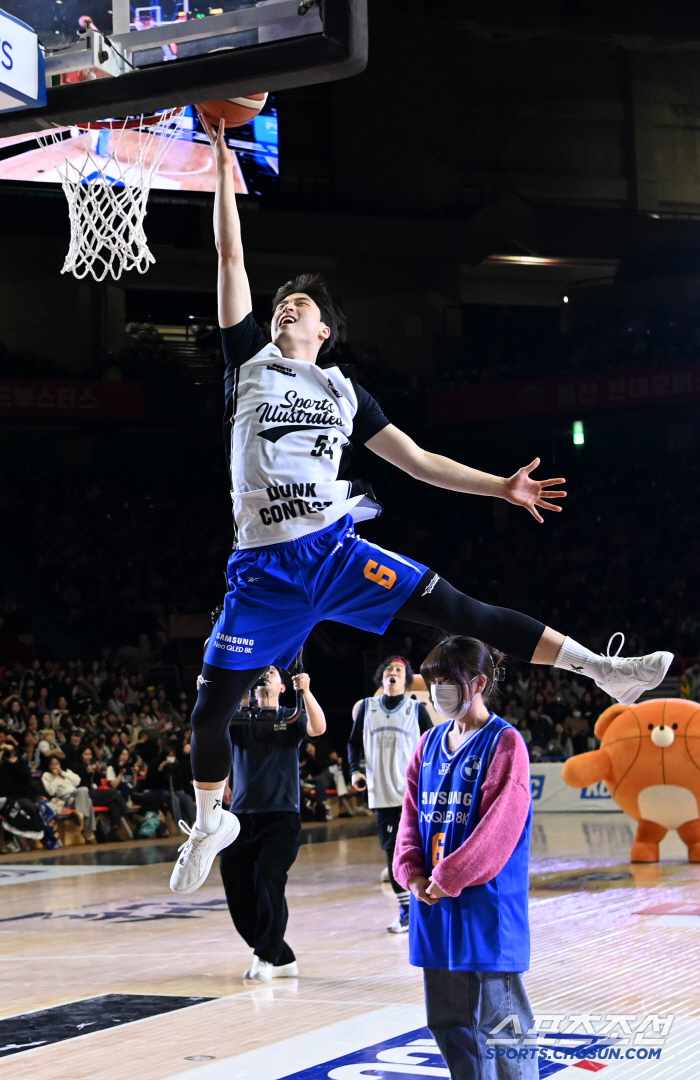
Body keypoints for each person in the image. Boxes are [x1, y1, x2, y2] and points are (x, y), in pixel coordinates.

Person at [170, 115, 674, 895]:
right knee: (209, 716)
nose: (285, 310)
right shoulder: (250, 364)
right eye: (281, 304)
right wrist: (220, 156)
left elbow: (419, 462)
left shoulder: (344, 393)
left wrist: (500, 485)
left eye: (299, 305)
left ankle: (603, 669)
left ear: (327, 329)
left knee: (464, 611)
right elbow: (229, 254)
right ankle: (211, 819)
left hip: (335, 554)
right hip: (264, 572)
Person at [393, 636, 535, 1080]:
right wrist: (411, 873)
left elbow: (499, 829)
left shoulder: (506, 743)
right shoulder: (428, 744)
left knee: (502, 1030)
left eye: (447, 682)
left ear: (477, 683)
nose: (437, 693)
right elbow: (409, 819)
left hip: (484, 907)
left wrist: (451, 875)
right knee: (450, 1024)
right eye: (432, 683)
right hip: (433, 906)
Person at [215, 666, 325, 982]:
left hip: (281, 818)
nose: (266, 674)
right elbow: (207, 728)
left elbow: (318, 727)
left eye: (273, 672)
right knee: (235, 886)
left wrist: (306, 691)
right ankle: (282, 956)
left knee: (268, 878)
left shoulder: (290, 717)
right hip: (241, 819)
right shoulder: (238, 718)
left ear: (282, 686)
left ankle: (265, 956)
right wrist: (210, 690)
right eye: (261, 671)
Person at [348, 655, 432, 933]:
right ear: (382, 678)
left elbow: (431, 749)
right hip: (381, 793)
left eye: (399, 669)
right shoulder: (367, 708)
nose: (392, 673)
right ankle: (406, 910)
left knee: (420, 851)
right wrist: (354, 772)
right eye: (388, 669)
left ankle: (427, 907)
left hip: (413, 795)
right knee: (391, 852)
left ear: (407, 680)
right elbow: (353, 745)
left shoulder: (416, 710)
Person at [41, 755, 97, 842]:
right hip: (65, 799)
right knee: (84, 791)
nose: (55, 766)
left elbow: (77, 781)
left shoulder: (66, 772)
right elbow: (51, 792)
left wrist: (62, 773)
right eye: (52, 764)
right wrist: (55, 777)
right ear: (49, 766)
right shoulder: (46, 776)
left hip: (76, 795)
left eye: (57, 764)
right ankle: (88, 830)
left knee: (88, 799)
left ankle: (82, 819)